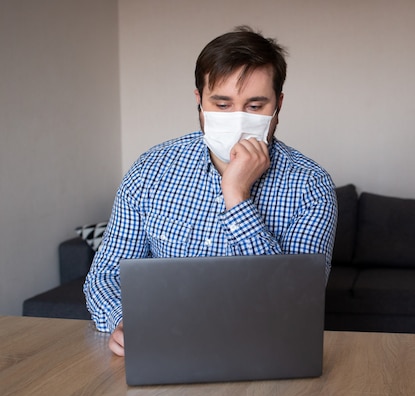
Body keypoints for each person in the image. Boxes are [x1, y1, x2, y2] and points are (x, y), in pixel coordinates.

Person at [83, 26, 338, 356]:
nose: (237, 120)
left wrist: (237, 193)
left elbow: (293, 305)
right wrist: (123, 321)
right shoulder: (150, 169)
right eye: (222, 104)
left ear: (278, 106)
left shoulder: (311, 185)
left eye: (255, 106)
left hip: (263, 355)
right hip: (164, 348)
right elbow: (104, 275)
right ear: (199, 101)